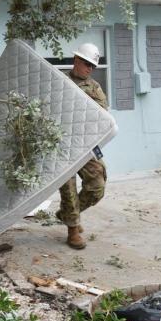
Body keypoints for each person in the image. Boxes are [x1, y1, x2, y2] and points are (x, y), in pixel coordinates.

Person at [56, 42, 108, 249]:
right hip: (60, 146)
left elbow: (102, 115)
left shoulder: (95, 88)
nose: (89, 68)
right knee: (68, 190)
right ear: (76, 60)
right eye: (87, 63)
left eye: (93, 66)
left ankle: (66, 215)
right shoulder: (60, 82)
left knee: (97, 187)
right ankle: (73, 230)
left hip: (84, 144)